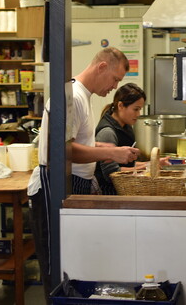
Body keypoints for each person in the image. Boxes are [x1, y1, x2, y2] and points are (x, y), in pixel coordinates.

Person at [27, 47, 140, 303]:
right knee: (54, 263)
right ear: (102, 67)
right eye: (115, 79)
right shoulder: (71, 96)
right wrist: (110, 155)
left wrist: (108, 148)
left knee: (71, 260)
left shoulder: (83, 96)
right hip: (52, 184)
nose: (114, 87)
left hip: (74, 182)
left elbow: (77, 141)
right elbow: (62, 150)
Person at [94, 82, 146, 195]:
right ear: (120, 106)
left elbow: (127, 165)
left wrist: (151, 164)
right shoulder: (107, 132)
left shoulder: (126, 126)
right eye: (136, 109)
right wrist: (146, 168)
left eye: (140, 109)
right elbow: (112, 173)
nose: (138, 114)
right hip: (109, 193)